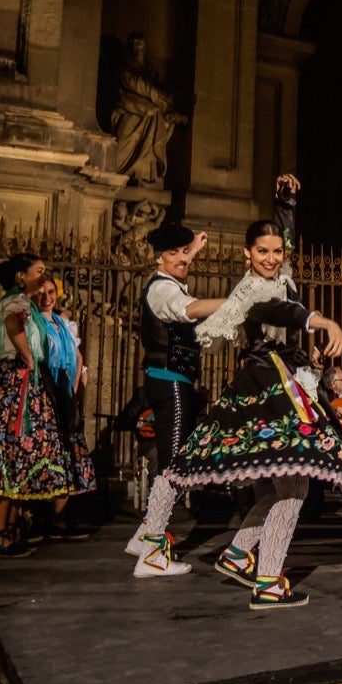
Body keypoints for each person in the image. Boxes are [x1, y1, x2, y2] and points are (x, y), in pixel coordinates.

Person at [154, 175, 342, 608]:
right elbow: (278, 309)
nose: (270, 258)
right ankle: (267, 582)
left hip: (283, 379)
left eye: (276, 251)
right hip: (268, 384)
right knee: (294, 488)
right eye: (261, 251)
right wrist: (322, 322)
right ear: (247, 254)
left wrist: (285, 203)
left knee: (281, 487)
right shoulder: (251, 289)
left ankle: (236, 555)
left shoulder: (279, 273)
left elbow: (283, 260)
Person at [0, 254, 88, 557]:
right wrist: (28, 356)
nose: (43, 274)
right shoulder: (17, 302)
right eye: (39, 270)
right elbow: (11, 326)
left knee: (17, 458)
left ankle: (10, 529)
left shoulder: (27, 303)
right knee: (5, 454)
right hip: (17, 384)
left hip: (26, 384)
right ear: (21, 276)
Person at [120, 222, 230, 575]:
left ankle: (144, 536)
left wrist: (191, 249)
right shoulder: (163, 290)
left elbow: (179, 266)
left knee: (174, 462)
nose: (183, 259)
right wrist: (235, 302)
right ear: (157, 261)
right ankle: (151, 553)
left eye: (185, 253)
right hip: (169, 382)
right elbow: (188, 309)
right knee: (175, 466)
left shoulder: (167, 278)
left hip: (171, 380)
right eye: (174, 254)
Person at [29, 275, 97, 539]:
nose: (47, 297)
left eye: (51, 291)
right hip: (44, 389)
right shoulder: (32, 322)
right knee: (43, 453)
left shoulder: (62, 323)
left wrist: (75, 384)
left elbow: (78, 356)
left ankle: (59, 517)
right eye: (41, 292)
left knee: (66, 453)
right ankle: (35, 517)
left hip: (63, 391)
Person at [110, 33, 186, 185]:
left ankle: (145, 175)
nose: (136, 47)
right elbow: (136, 84)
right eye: (133, 44)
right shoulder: (126, 68)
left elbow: (154, 87)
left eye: (139, 44)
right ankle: (123, 172)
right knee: (125, 144)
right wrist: (158, 96)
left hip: (151, 112)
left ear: (144, 48)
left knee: (155, 128)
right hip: (131, 109)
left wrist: (164, 99)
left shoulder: (150, 71)